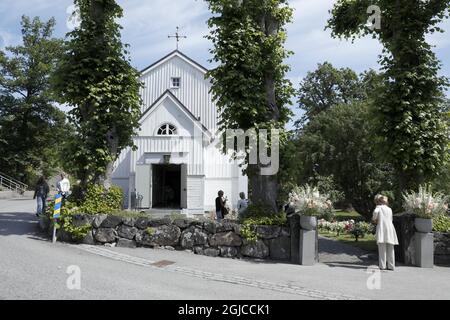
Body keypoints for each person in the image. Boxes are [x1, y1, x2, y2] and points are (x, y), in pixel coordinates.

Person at [372, 195, 399, 271]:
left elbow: (375, 214)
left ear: (379, 201)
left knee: (382, 248)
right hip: (390, 228)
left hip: (382, 228)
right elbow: (391, 219)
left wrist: (374, 219)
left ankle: (382, 265)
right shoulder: (389, 209)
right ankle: (391, 265)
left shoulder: (378, 207)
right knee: (390, 248)